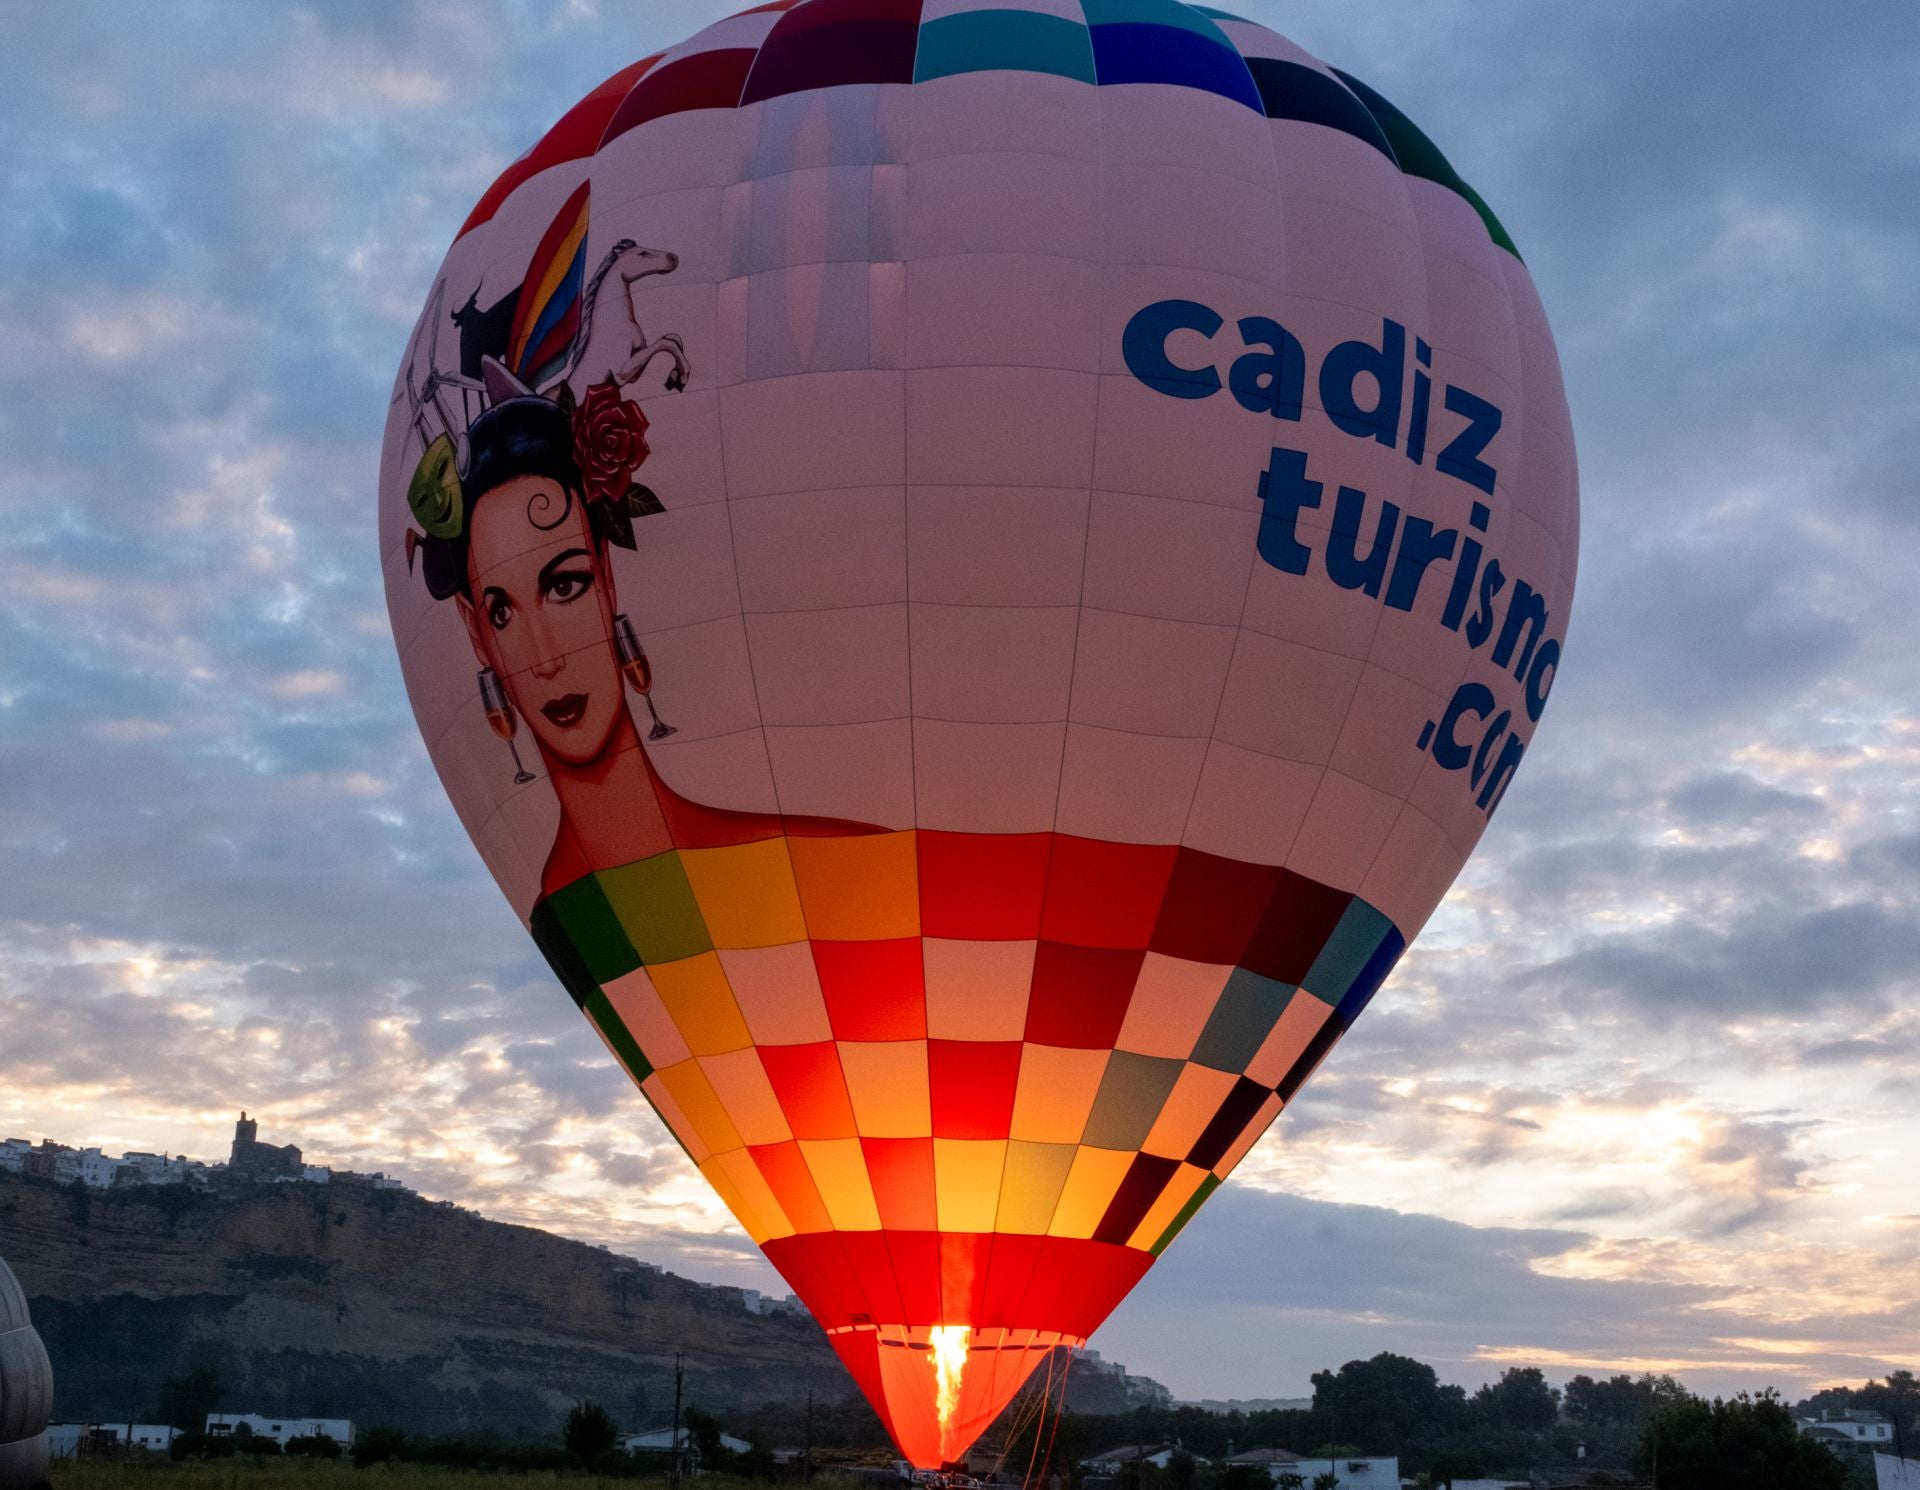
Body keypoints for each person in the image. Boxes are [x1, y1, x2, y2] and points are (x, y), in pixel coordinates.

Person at [409, 376, 868, 900]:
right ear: (475, 632)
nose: (546, 659)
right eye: (501, 613)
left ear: (606, 575)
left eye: (564, 585)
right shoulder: (560, 914)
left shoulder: (840, 864)